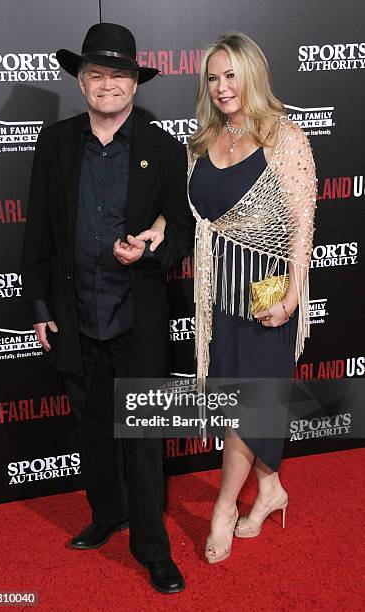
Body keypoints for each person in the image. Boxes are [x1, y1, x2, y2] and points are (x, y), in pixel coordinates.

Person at [21, 22, 193, 593]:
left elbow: (182, 235)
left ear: (135, 84)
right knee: (95, 428)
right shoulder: (56, 143)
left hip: (135, 317)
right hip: (75, 316)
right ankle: (106, 515)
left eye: (119, 74)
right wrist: (41, 304)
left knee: (143, 440)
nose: (108, 84)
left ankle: (152, 549)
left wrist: (150, 250)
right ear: (80, 81)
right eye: (96, 73)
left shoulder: (163, 149)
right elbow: (39, 230)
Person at [187, 32, 316, 563]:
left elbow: (303, 229)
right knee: (242, 403)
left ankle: (223, 507)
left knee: (245, 408)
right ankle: (270, 489)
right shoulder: (201, 143)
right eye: (213, 77)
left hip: (268, 302)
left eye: (231, 74)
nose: (222, 87)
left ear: (252, 76)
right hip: (221, 300)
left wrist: (291, 299)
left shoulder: (283, 137)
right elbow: (191, 216)